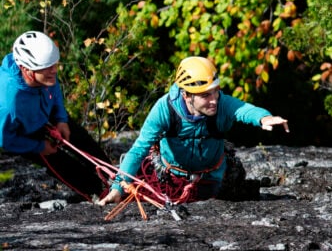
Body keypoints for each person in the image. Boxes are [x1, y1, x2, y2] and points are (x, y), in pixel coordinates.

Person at [99, 56, 289, 207]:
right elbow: (140, 149)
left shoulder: (221, 104)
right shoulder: (165, 109)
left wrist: (264, 118)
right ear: (186, 95)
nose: (214, 99)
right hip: (170, 178)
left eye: (216, 91)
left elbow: (243, 110)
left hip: (212, 179)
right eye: (205, 95)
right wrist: (118, 189)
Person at [0, 30, 109, 200]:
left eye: (55, 64)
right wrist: (39, 146)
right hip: (24, 131)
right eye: (48, 67)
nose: (54, 70)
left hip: (44, 110)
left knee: (81, 139)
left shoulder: (43, 71)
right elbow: (5, 139)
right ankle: (97, 191)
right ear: (26, 69)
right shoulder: (9, 103)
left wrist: (61, 118)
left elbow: (54, 89)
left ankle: (115, 178)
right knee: (59, 161)